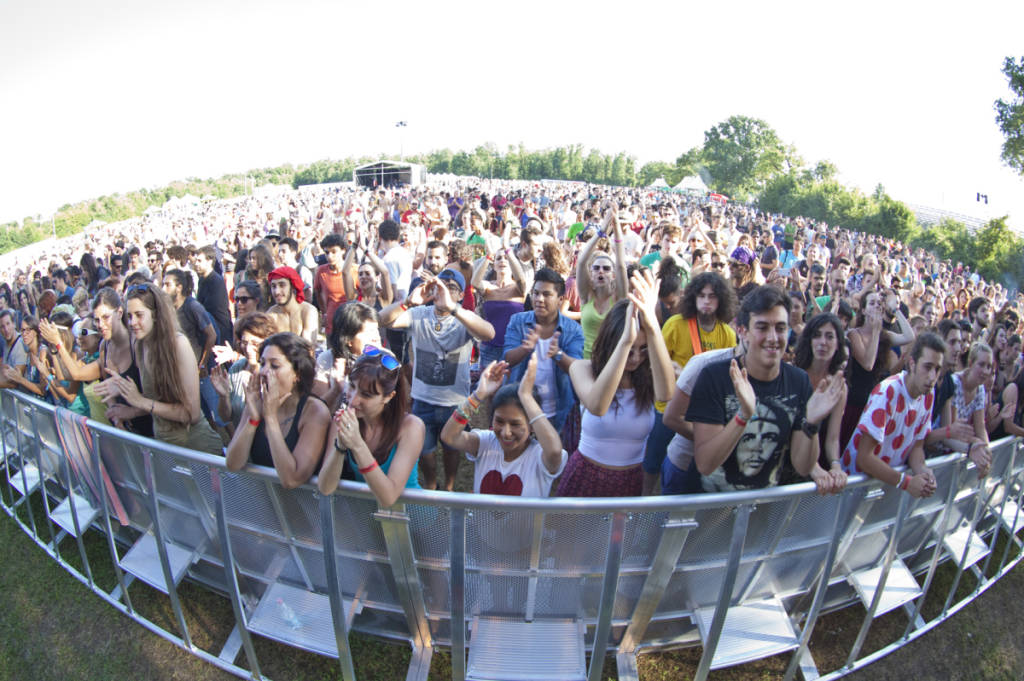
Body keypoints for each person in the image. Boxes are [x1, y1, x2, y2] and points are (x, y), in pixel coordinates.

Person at [688, 285, 846, 493]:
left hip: (762, 508)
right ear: (743, 331)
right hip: (713, 507)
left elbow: (803, 465)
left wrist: (811, 425)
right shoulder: (715, 377)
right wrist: (743, 417)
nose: (773, 338)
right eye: (762, 327)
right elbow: (705, 464)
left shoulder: (799, 382)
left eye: (780, 328)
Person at [557, 270, 675, 497]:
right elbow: (598, 406)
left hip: (630, 480)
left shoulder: (649, 376)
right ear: (611, 342)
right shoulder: (583, 369)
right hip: (586, 476)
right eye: (629, 350)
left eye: (643, 349)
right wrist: (625, 341)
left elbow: (666, 394)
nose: (636, 358)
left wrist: (651, 324)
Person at [379, 268, 495, 490]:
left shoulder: (464, 317)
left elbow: (489, 333)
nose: (444, 291)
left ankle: (449, 486)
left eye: (452, 288)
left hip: (455, 402)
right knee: (425, 451)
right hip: (422, 400)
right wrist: (408, 302)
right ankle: (431, 485)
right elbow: (382, 320)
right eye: (441, 285)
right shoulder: (419, 314)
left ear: (461, 295)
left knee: (452, 448)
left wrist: (452, 308)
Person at [94, 282, 222, 455]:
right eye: (130, 316)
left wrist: (139, 401)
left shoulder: (178, 345)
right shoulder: (141, 346)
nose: (132, 322)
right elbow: (158, 403)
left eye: (139, 315)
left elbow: (191, 414)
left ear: (155, 315)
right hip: (166, 449)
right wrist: (129, 402)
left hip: (197, 451)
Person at [441, 353, 566, 496]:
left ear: (531, 425)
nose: (506, 432)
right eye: (499, 421)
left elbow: (555, 452)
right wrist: (479, 394)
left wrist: (526, 396)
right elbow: (449, 436)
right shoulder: (484, 443)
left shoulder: (539, 457)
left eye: (515, 424)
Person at [839, 333, 947, 497]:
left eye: (937, 369)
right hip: (851, 487)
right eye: (927, 367)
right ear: (912, 363)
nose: (932, 376)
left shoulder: (928, 394)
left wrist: (924, 472)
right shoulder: (887, 392)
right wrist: (906, 482)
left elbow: (917, 446)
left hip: (882, 487)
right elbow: (864, 457)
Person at [318, 347, 425, 506]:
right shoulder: (342, 421)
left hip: (415, 520)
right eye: (352, 387)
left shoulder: (411, 427)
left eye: (366, 395)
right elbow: (325, 487)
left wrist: (357, 445)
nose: (353, 400)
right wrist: (340, 446)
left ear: (389, 397)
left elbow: (388, 497)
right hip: (370, 522)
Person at [225, 333, 329, 488]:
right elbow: (233, 463)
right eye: (262, 364)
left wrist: (271, 418)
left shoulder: (315, 412)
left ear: (297, 374)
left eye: (274, 365)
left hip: (306, 506)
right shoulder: (257, 403)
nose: (264, 371)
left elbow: (291, 479)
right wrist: (253, 419)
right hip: (267, 504)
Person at [501, 268, 583, 433]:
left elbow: (577, 369)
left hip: (557, 411)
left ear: (560, 299)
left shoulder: (573, 329)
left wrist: (558, 355)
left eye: (546, 294)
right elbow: (507, 359)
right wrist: (525, 349)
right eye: (536, 293)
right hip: (520, 408)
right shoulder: (518, 321)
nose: (539, 299)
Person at [793, 313, 850, 481]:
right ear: (809, 340)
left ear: (838, 344)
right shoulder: (794, 375)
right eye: (817, 335)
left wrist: (835, 465)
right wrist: (813, 467)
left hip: (811, 460)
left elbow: (833, 439)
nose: (823, 342)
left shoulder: (839, 387)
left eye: (829, 336)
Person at [211, 311, 279, 430]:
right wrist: (224, 396)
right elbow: (226, 417)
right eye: (244, 342)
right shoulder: (237, 368)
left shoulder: (276, 372)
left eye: (255, 344)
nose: (247, 349)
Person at [575, 209, 628, 359]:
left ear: (612, 275)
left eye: (606, 268)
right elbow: (581, 262)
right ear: (591, 274)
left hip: (611, 360)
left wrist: (617, 230)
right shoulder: (586, 296)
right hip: (585, 359)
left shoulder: (618, 298)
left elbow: (621, 265)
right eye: (596, 268)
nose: (600, 271)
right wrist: (601, 231)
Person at [313, 302, 382, 412]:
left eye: (376, 330)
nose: (376, 337)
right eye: (370, 332)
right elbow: (315, 410)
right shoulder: (327, 359)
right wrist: (336, 389)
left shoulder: (386, 360)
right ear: (348, 339)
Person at [266, 266, 319, 345]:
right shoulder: (271, 314)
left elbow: (308, 347)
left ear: (293, 286)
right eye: (273, 286)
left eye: (282, 285)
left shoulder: (307, 311)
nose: (277, 292)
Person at [313, 233, 349, 337]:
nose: (330, 256)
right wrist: (324, 312)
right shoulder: (321, 271)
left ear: (343, 250)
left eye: (334, 252)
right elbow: (317, 292)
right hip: (331, 323)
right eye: (327, 252)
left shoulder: (353, 270)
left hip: (350, 322)